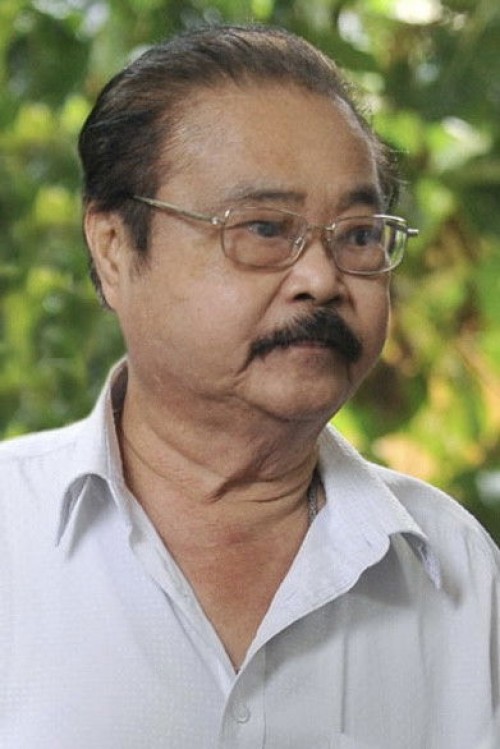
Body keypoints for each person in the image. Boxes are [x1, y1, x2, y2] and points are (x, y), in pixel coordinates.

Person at [0, 24, 498, 749]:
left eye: (359, 234)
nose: (321, 279)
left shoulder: (456, 569)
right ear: (114, 250)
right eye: (264, 228)